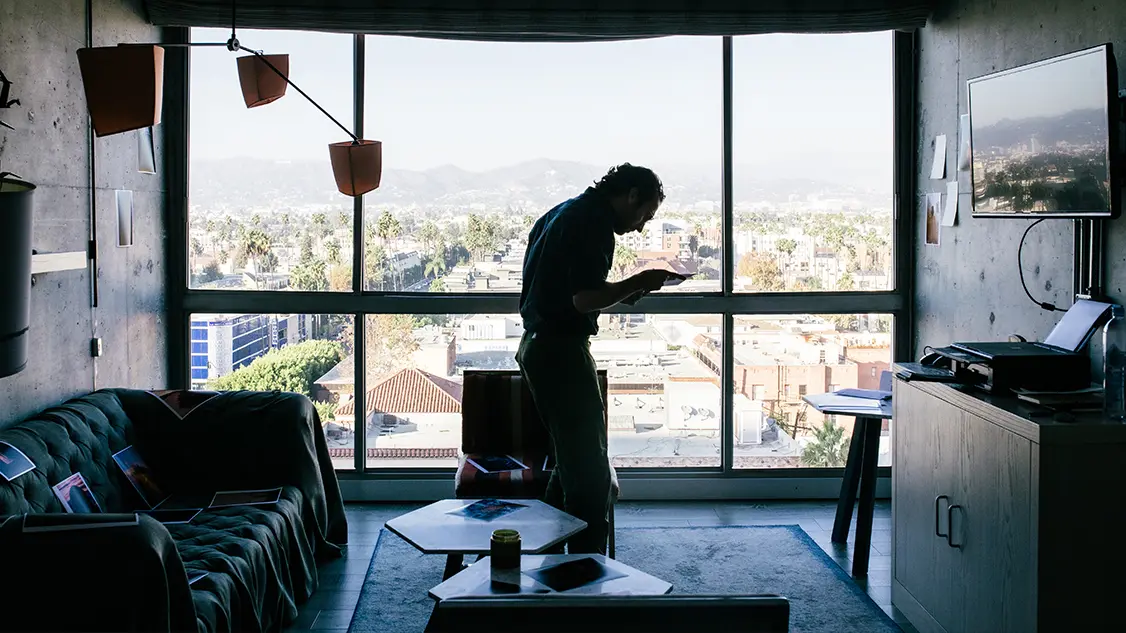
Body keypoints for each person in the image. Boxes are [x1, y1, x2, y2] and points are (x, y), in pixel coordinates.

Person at [516, 163, 685, 554]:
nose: (642, 226)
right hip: (560, 351)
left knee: (569, 460)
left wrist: (621, 291)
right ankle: (585, 570)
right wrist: (639, 281)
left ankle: (543, 553)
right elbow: (582, 299)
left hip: (536, 344)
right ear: (630, 195)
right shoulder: (593, 225)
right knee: (590, 473)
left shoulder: (560, 212)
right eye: (645, 214)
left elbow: (559, 289)